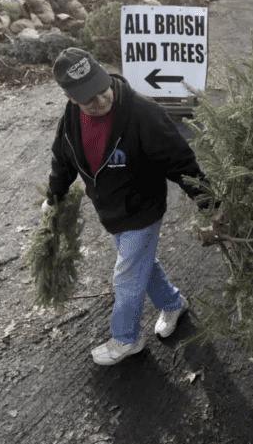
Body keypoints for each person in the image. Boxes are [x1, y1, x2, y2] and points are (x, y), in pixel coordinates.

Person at [43, 47, 214, 366]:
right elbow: (62, 161)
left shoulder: (142, 113)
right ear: (69, 96)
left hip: (142, 209)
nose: (99, 99)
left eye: (100, 87)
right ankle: (173, 304)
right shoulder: (70, 121)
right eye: (87, 98)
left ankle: (126, 339)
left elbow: (181, 163)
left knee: (126, 276)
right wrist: (53, 197)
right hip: (111, 212)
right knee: (141, 265)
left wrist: (209, 202)